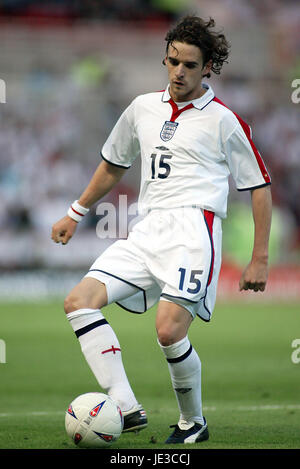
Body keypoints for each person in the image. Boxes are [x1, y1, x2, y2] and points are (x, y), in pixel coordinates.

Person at [51, 16, 272, 444]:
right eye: (173, 62)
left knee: (169, 331)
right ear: (165, 59)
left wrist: (259, 257)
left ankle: (194, 423)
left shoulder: (224, 121)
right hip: (147, 227)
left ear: (208, 67)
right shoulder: (142, 108)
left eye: (190, 65)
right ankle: (126, 405)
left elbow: (259, 186)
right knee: (79, 301)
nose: (179, 72)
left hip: (194, 229)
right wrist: (75, 212)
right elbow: (115, 163)